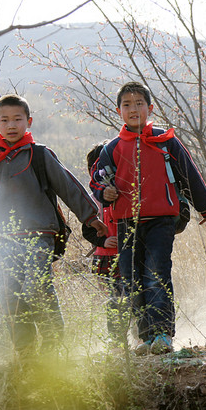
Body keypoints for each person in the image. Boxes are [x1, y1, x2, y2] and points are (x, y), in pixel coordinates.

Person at [0, 94, 108, 357]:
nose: (11, 125)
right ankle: (26, 351)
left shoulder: (39, 155)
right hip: (4, 239)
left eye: (17, 119)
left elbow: (68, 185)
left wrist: (91, 217)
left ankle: (53, 343)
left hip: (39, 234)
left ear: (28, 122)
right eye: (4, 120)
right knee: (11, 295)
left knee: (37, 286)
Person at [92, 82, 206, 355]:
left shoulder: (165, 140)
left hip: (161, 219)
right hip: (127, 222)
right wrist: (105, 193)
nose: (133, 109)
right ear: (118, 110)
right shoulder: (111, 149)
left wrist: (205, 207)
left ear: (150, 107)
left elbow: (188, 172)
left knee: (157, 274)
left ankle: (163, 334)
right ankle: (145, 337)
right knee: (133, 278)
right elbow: (97, 181)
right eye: (127, 105)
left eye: (139, 104)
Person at [82, 141, 127, 348]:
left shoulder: (126, 195)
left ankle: (136, 335)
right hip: (104, 257)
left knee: (130, 296)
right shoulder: (93, 200)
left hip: (127, 255)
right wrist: (102, 240)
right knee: (114, 298)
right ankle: (116, 339)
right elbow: (87, 229)